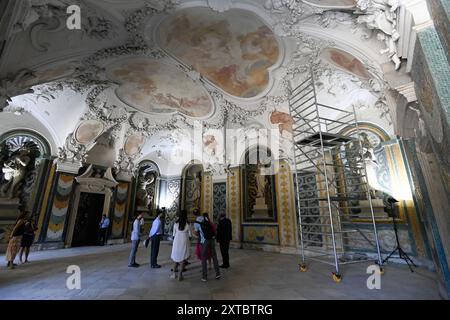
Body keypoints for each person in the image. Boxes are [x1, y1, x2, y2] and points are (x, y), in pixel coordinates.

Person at [194, 212, 221, 282]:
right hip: (211, 239)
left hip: (204, 241)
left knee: (204, 258)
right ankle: (218, 273)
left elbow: (197, 233)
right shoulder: (205, 218)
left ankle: (204, 276)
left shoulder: (196, 222)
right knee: (214, 256)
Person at [170, 211, 191, 281]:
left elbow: (173, 235)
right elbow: (190, 235)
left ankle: (173, 274)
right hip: (184, 242)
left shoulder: (176, 224)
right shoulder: (188, 225)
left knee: (176, 258)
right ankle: (180, 275)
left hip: (176, 242)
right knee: (182, 259)